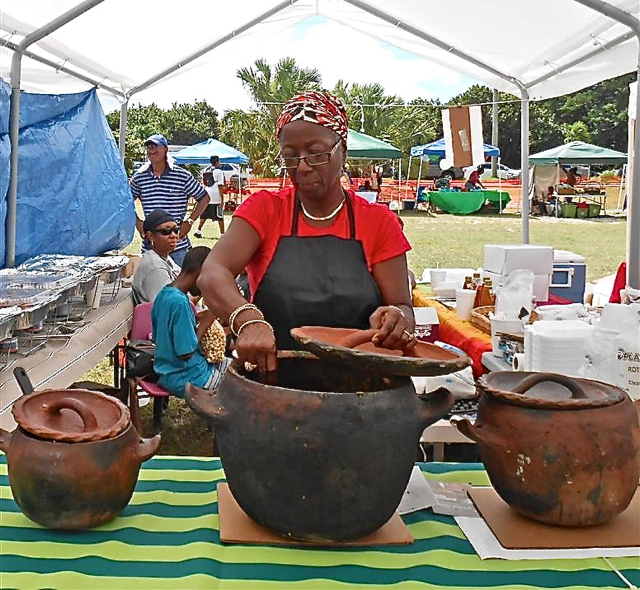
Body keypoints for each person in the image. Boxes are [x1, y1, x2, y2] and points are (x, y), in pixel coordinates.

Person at [197, 90, 415, 374]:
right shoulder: (265, 209)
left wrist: (397, 319)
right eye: (290, 156)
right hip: (273, 382)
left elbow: (403, 307)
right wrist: (248, 319)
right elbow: (213, 272)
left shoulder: (377, 221)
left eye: (316, 153)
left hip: (359, 387)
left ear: (343, 152)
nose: (302, 166)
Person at [151, 246, 230, 397]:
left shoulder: (164, 294)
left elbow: (162, 335)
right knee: (239, 383)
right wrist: (206, 323)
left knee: (232, 365)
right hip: (187, 377)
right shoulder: (180, 303)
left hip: (166, 371)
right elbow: (185, 353)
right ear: (200, 272)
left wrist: (195, 319)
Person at [130, 134, 210, 267]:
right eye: (149, 147)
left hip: (178, 246)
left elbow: (204, 198)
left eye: (156, 147)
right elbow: (125, 204)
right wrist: (137, 222)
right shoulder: (139, 177)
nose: (152, 150)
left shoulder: (181, 175)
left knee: (180, 285)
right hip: (150, 247)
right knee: (152, 285)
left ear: (166, 150)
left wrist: (190, 221)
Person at [132, 209, 181, 304]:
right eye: (166, 231)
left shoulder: (164, 258)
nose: (173, 235)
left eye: (176, 230)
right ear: (150, 236)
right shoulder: (155, 267)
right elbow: (166, 307)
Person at [195, 155, 227, 238]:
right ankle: (222, 234)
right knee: (219, 215)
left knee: (204, 214)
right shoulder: (219, 172)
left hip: (207, 194)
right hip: (216, 195)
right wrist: (222, 200)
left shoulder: (206, 170)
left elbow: (204, 182)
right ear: (217, 162)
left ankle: (198, 230)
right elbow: (220, 186)